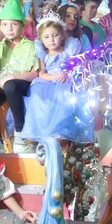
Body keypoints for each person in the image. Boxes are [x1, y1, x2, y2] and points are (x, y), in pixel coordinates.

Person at [21, 19, 94, 148]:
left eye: (55, 35)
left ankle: (60, 132)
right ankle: (36, 133)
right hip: (47, 80)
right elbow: (42, 73)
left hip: (65, 80)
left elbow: (74, 67)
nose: (52, 40)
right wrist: (54, 77)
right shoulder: (43, 54)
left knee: (63, 95)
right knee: (36, 94)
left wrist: (66, 74)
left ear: (62, 35)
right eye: (47, 37)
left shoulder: (68, 51)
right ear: (41, 39)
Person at [0, 0, 39, 153]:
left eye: (14, 24)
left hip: (22, 83)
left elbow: (34, 73)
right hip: (4, 84)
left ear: (22, 27)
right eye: (5, 25)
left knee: (10, 85)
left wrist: (13, 77)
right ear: (0, 27)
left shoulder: (30, 46)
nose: (9, 28)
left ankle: (20, 133)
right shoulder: (0, 46)